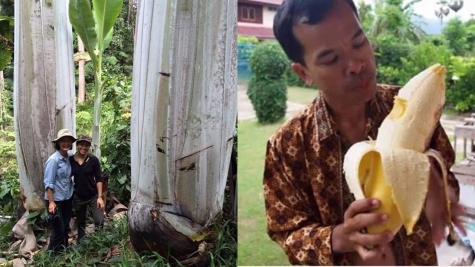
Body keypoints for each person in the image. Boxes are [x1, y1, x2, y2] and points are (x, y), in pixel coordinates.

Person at [263, 0, 466, 265]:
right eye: (331, 58)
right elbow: (286, 231)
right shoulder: (287, 145)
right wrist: (339, 238)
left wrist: (437, 186)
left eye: (359, 42)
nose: (357, 65)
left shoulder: (412, 106)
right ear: (304, 73)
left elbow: (447, 180)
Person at [44, 128, 76, 253]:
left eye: (68, 141)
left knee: (66, 227)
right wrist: (51, 202)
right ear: (58, 143)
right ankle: (51, 256)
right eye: (63, 141)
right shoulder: (53, 160)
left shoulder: (69, 157)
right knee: (59, 229)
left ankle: (63, 250)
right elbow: (48, 183)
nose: (66, 143)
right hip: (55, 200)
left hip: (67, 198)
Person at [69, 134, 104, 244]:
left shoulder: (93, 160)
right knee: (81, 222)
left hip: (93, 195)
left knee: (99, 219)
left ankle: (99, 241)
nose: (83, 147)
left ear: (89, 146)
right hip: (78, 196)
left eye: (86, 145)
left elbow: (98, 178)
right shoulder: (70, 160)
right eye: (81, 144)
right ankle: (81, 244)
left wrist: (100, 197)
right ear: (77, 145)